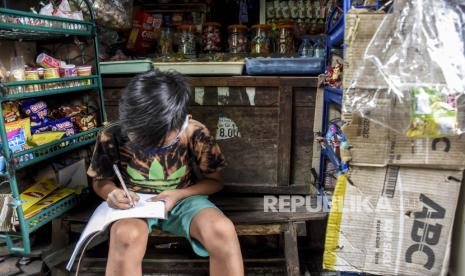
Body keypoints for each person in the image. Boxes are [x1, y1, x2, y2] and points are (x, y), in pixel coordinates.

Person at [87, 70, 244, 276]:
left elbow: (215, 181)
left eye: (159, 144)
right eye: (140, 140)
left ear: (179, 123)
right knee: (125, 235)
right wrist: (111, 193)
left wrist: (179, 194)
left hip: (185, 200)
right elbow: (100, 181)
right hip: (135, 204)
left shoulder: (194, 132)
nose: (150, 148)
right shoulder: (112, 134)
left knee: (222, 230)